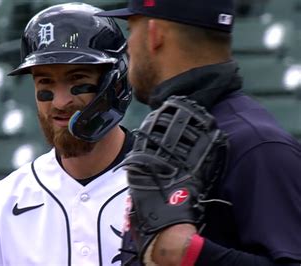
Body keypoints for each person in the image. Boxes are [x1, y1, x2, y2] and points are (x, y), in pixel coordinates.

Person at [97, 0, 301, 265]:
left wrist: (189, 252)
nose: (128, 46)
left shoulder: (258, 145)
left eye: (130, 30)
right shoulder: (163, 135)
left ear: (154, 34)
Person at [0, 2, 135, 265]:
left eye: (77, 81)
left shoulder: (164, 185)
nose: (59, 102)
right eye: (45, 82)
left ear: (114, 84)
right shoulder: (4, 205)